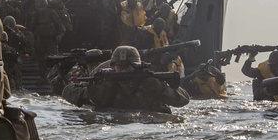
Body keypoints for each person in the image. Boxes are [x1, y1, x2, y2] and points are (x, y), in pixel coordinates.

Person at [62, 46, 190, 113]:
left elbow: (183, 100)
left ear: (138, 66)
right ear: (113, 67)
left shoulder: (150, 82)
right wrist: (89, 93)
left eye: (128, 67)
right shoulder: (105, 83)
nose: (123, 71)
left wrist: (161, 88)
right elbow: (67, 91)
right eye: (120, 67)